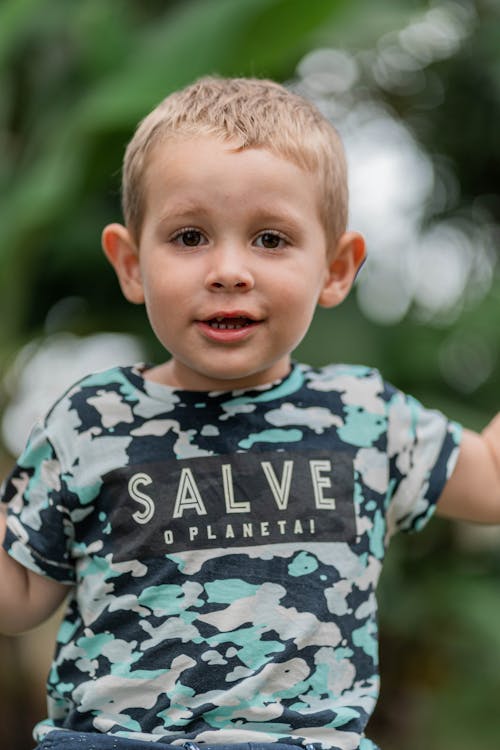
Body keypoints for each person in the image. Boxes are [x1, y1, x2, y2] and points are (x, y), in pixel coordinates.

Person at [0, 76, 499, 750]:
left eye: (269, 239)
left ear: (335, 267)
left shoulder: (366, 416)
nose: (230, 269)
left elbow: (491, 478)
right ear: (131, 263)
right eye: (189, 236)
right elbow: (20, 596)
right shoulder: (91, 419)